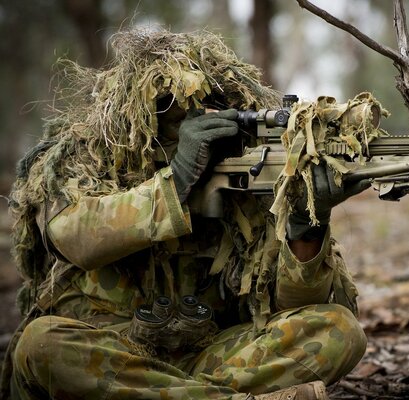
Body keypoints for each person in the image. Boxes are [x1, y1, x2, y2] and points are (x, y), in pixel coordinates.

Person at [4, 29, 369, 399]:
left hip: (207, 356)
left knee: (339, 329)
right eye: (169, 111)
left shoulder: (246, 172)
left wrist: (306, 224)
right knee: (41, 346)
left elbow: (290, 307)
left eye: (212, 107)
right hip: (113, 353)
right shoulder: (84, 158)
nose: (193, 123)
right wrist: (177, 179)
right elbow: (75, 238)